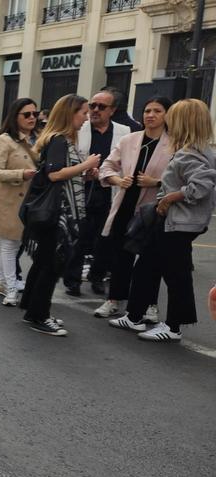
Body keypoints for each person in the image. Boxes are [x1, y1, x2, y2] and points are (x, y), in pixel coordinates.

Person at [109, 98, 215, 342]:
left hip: (178, 223)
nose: (167, 120)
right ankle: (135, 316)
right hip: (174, 222)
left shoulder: (190, 153)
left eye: (172, 117)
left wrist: (168, 199)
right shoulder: (197, 149)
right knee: (147, 266)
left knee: (176, 275)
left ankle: (173, 327)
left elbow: (202, 185)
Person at [21, 95, 102, 336]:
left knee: (44, 262)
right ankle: (38, 314)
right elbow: (55, 174)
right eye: (83, 112)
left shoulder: (63, 140)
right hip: (57, 214)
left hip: (57, 212)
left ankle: (32, 308)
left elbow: (62, 174)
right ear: (70, 114)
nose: (86, 117)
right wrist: (86, 165)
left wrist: (84, 173)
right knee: (51, 265)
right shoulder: (59, 140)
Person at [92, 97, 172, 320]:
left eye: (157, 111)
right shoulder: (130, 140)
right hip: (126, 204)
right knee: (121, 255)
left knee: (151, 259)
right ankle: (114, 300)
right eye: (147, 110)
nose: (150, 115)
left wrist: (155, 182)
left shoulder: (175, 143)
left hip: (154, 209)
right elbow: (107, 166)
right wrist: (117, 180)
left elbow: (181, 179)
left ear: (168, 115)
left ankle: (150, 305)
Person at [66, 89, 131, 296]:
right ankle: (73, 280)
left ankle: (97, 276)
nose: (94, 110)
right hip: (82, 189)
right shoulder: (80, 128)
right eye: (92, 105)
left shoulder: (124, 132)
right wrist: (86, 170)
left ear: (112, 110)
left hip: (108, 191)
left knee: (105, 238)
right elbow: (70, 158)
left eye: (101, 107)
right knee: (79, 236)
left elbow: (126, 162)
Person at [0, 98, 39, 306]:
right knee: (10, 244)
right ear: (15, 116)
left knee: (15, 243)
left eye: (35, 114)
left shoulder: (35, 139)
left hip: (29, 200)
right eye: (26, 114)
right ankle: (10, 287)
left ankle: (0, 280)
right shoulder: (5, 140)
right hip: (10, 200)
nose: (32, 118)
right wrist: (22, 173)